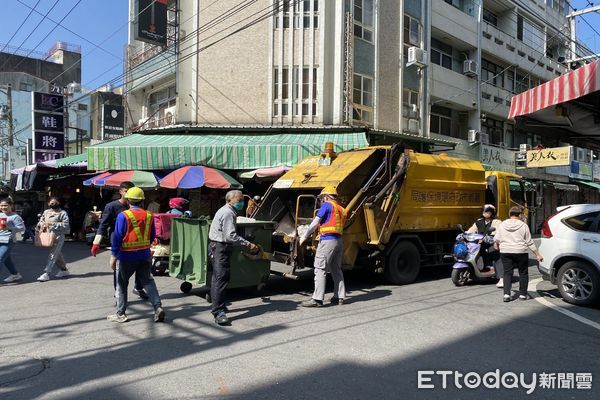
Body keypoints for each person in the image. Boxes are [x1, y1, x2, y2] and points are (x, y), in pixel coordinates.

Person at [107, 187, 165, 323]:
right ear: (142, 201)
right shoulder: (149, 215)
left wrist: (113, 255)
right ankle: (157, 307)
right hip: (144, 255)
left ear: (128, 200)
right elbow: (152, 236)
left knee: (122, 284)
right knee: (148, 282)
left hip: (126, 257)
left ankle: (121, 313)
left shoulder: (124, 215)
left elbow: (117, 237)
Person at [208, 190, 259, 325]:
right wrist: (248, 244)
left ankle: (218, 305)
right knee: (221, 278)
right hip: (220, 247)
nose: (241, 202)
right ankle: (218, 311)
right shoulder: (228, 213)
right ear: (229, 200)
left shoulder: (227, 211)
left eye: (242, 199)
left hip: (218, 247)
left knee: (218, 278)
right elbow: (230, 236)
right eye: (239, 200)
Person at [91, 181, 147, 299]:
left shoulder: (135, 205)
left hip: (137, 241)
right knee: (118, 268)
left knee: (140, 265)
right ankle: (119, 293)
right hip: (118, 241)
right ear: (120, 191)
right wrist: (96, 243)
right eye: (127, 192)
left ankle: (138, 287)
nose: (129, 195)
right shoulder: (111, 206)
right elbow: (103, 225)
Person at [299, 186, 347, 307]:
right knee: (336, 269)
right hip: (339, 241)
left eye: (322, 198)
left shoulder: (327, 205)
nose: (322, 201)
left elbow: (316, 222)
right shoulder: (342, 209)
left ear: (326, 197)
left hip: (327, 241)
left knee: (320, 268)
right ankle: (339, 297)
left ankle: (317, 299)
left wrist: (304, 235)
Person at [494, 206, 543, 302]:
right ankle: (522, 295)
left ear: (509, 214)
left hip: (506, 251)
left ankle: (506, 295)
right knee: (523, 273)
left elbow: (497, 238)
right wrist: (537, 254)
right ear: (520, 215)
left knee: (507, 273)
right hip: (520, 251)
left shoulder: (502, 224)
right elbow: (529, 242)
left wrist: (496, 244)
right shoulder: (523, 225)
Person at [466, 204, 503, 288]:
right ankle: (479, 269)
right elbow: (471, 230)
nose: (485, 213)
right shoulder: (479, 221)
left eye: (488, 212)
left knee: (495, 253)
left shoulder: (496, 221)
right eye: (484, 211)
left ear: (492, 212)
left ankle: (502, 277)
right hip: (480, 242)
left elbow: (498, 233)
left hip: (493, 242)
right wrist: (465, 234)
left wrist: (494, 241)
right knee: (472, 251)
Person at [36, 197, 70, 282]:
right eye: (51, 203)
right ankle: (64, 270)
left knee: (53, 254)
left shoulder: (62, 213)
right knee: (56, 253)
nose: (52, 204)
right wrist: (41, 225)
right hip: (47, 235)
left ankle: (46, 273)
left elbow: (65, 224)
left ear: (58, 203)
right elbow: (41, 220)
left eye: (54, 203)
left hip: (58, 236)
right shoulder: (46, 212)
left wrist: (52, 224)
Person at [0, 198, 25, 283]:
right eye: (1, 205)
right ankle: (15, 274)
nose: (3, 207)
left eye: (6, 205)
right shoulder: (0, 215)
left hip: (8, 241)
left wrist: (9, 228)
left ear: (11, 205)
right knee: (7, 259)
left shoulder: (15, 217)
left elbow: (22, 228)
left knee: (0, 258)